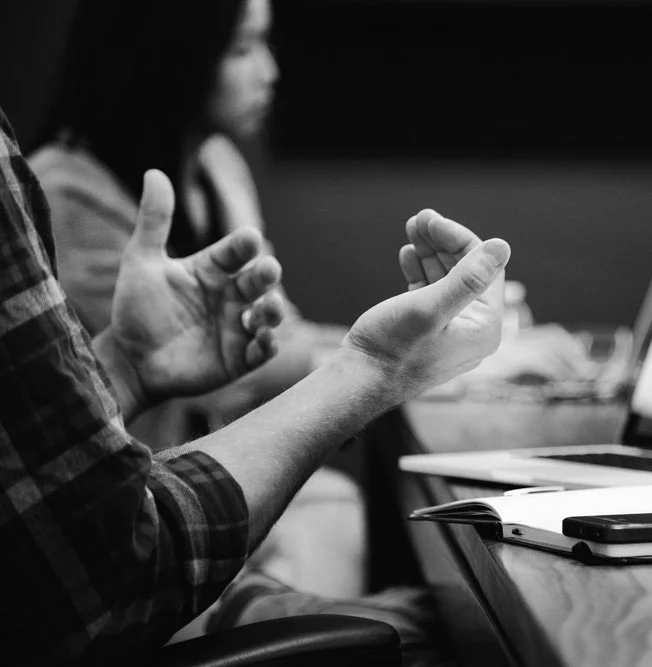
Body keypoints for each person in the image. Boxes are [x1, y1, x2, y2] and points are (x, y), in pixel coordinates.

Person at [0, 106, 511, 664]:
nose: (268, 70)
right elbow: (112, 559)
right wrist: (374, 368)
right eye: (244, 46)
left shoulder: (219, 163)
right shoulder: (61, 185)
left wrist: (122, 368)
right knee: (467, 638)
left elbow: (29, 468)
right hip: (135, 611)